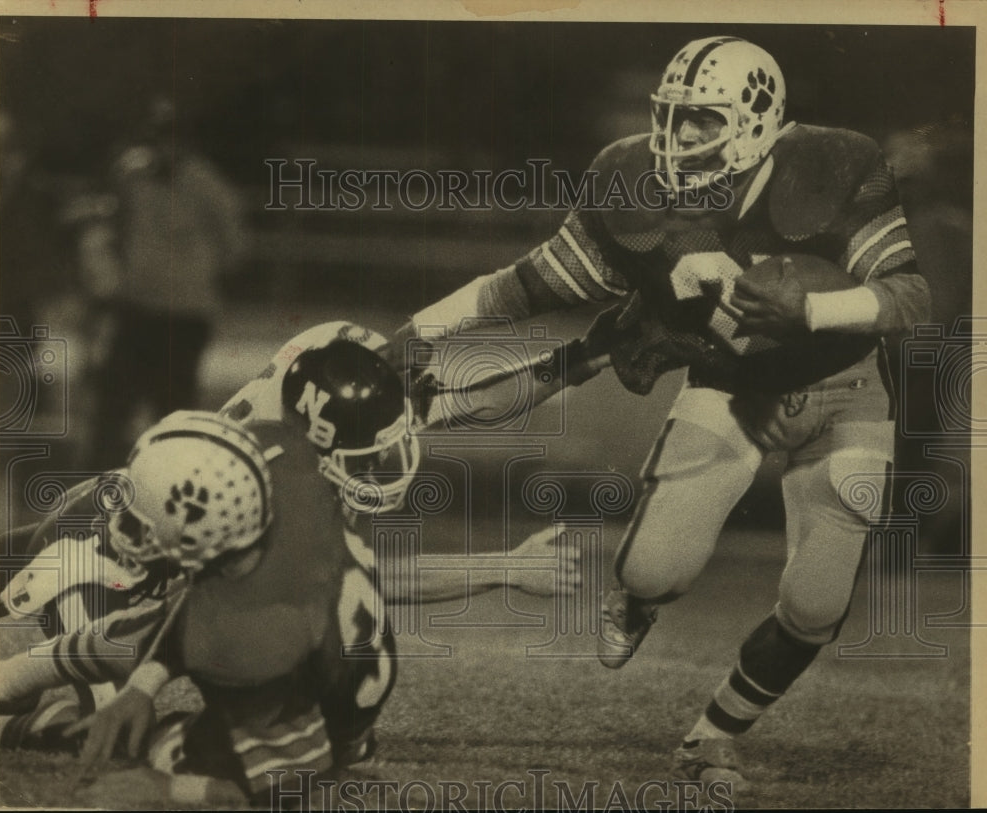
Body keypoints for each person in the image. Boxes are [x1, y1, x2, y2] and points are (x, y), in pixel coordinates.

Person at [383, 36, 930, 791]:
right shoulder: (631, 197)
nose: (679, 139)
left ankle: (712, 735)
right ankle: (636, 596)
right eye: (671, 119)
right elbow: (528, 289)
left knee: (815, 605)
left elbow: (909, 298)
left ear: (756, 117)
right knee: (655, 567)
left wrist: (811, 308)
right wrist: (423, 332)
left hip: (844, 388)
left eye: (702, 121)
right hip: (725, 386)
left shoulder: (834, 164)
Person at [0, 331, 578, 806]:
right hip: (103, 556)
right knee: (104, 715)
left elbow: (468, 401)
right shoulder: (275, 481)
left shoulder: (303, 456)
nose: (384, 459)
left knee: (150, 687)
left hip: (179, 579)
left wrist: (582, 357)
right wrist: (503, 566)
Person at [87, 93, 248, 470]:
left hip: (184, 315)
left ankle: (169, 481)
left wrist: (193, 271)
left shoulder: (208, 185)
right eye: (157, 136)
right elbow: (112, 226)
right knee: (113, 401)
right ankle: (99, 483)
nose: (164, 145)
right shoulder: (130, 176)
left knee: (173, 408)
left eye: (172, 136)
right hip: (138, 308)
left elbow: (235, 247)